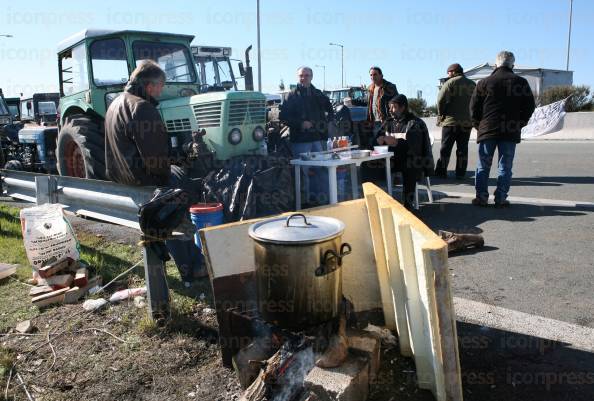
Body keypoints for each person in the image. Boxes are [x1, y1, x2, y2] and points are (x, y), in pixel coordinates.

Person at [105, 60, 204, 286]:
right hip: (143, 178)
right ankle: (194, 266)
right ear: (149, 86)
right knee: (180, 197)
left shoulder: (115, 104)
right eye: (161, 86)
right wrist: (173, 173)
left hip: (120, 176)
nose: (162, 90)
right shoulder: (142, 107)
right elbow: (157, 161)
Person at [470, 51, 535, 207]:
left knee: (483, 166)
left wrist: (479, 126)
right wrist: (520, 123)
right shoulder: (521, 82)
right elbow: (529, 107)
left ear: (495, 64)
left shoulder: (483, 83)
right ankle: (500, 198)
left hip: (487, 130)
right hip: (509, 131)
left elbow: (473, 109)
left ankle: (481, 197)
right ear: (513, 65)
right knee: (505, 166)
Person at [279, 66, 333, 205]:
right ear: (298, 77)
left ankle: (326, 200)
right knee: (303, 173)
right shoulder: (290, 96)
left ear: (311, 77)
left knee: (322, 169)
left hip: (317, 139)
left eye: (306, 75)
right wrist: (300, 124)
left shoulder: (318, 94)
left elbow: (330, 110)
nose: (304, 78)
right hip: (300, 141)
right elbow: (283, 117)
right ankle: (305, 203)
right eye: (301, 76)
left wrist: (325, 124)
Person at [375, 95, 434, 210]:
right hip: (391, 160)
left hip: (411, 160)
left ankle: (407, 205)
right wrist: (378, 140)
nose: (390, 110)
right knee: (368, 166)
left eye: (394, 107)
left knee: (410, 167)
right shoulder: (389, 122)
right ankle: (378, 203)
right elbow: (376, 138)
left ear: (403, 108)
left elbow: (414, 147)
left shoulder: (415, 123)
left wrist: (396, 142)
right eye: (390, 107)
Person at [434, 63, 476, 179]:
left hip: (450, 122)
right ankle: (461, 173)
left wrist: (440, 114)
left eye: (448, 72)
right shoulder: (472, 84)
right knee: (462, 149)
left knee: (445, 148)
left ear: (452, 71)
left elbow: (440, 99)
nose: (448, 75)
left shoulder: (450, 82)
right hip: (467, 123)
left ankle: (441, 172)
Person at [366, 67, 398, 146]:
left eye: (375, 74)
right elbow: (368, 105)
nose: (373, 77)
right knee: (376, 145)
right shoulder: (370, 88)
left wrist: (394, 119)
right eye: (371, 75)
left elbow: (397, 103)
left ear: (381, 75)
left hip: (386, 122)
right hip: (374, 123)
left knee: (387, 145)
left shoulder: (389, 87)